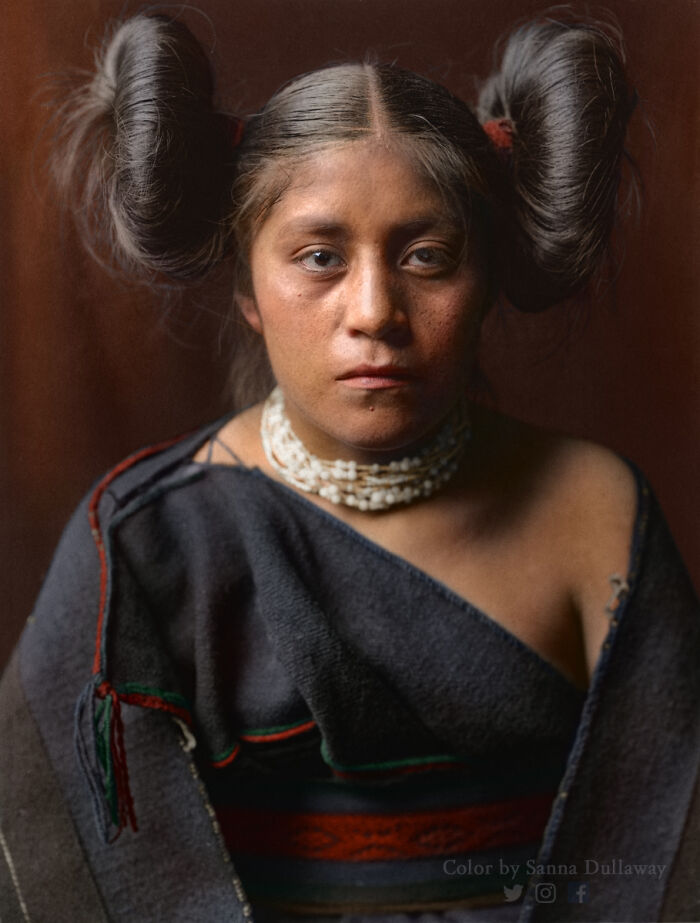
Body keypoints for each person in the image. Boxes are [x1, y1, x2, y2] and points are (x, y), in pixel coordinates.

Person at [0, 10, 698, 923]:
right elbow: (62, 865)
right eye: (320, 257)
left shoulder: (598, 512)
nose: (374, 309)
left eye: (426, 256)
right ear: (248, 288)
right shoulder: (144, 538)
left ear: (485, 276)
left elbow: (667, 846)